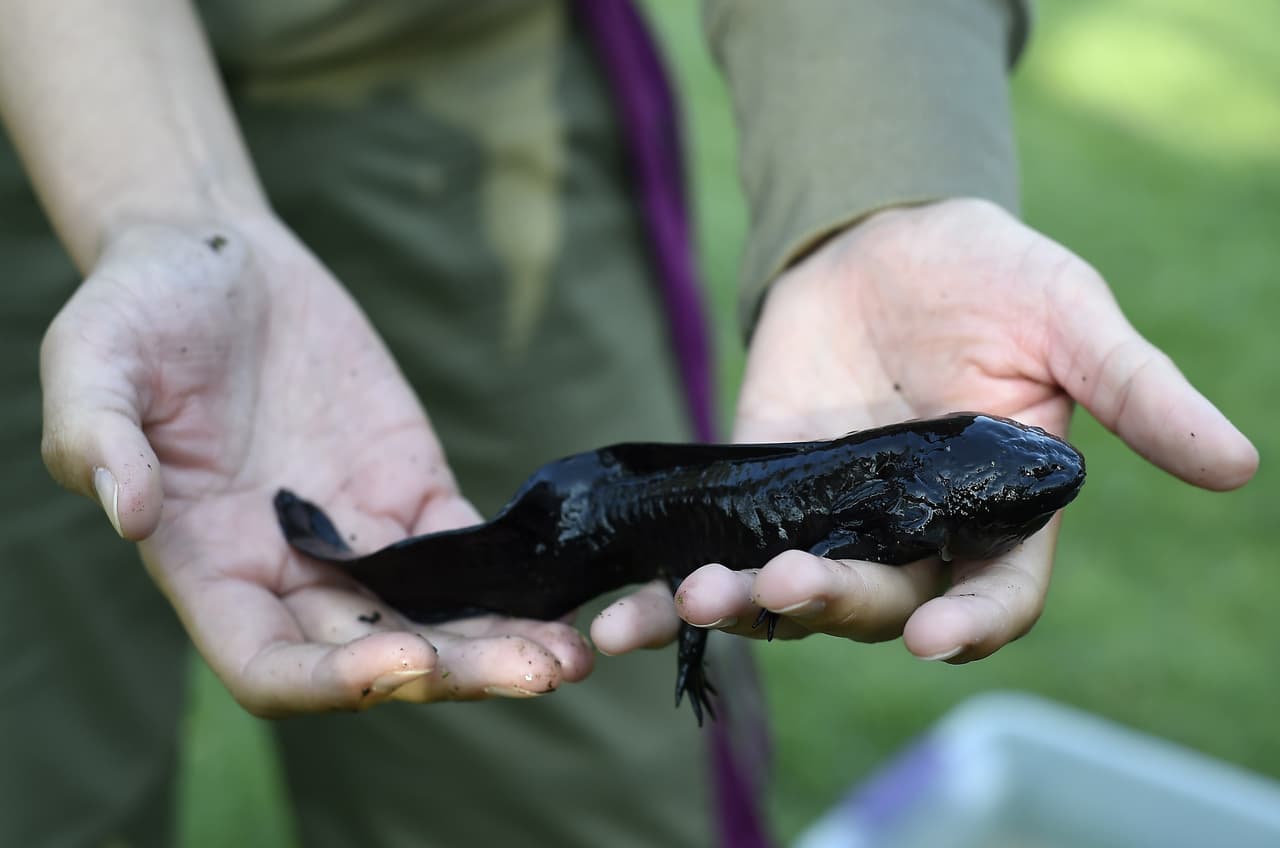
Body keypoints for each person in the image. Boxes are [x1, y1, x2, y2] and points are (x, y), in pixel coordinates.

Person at [0, 1, 1256, 846]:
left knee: (567, 780)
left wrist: (882, 184)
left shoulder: (919, 482)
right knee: (43, 772)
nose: (1038, 482)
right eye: (1021, 489)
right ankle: (371, 559)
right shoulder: (909, 495)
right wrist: (163, 201)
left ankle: (382, 562)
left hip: (435, 48)